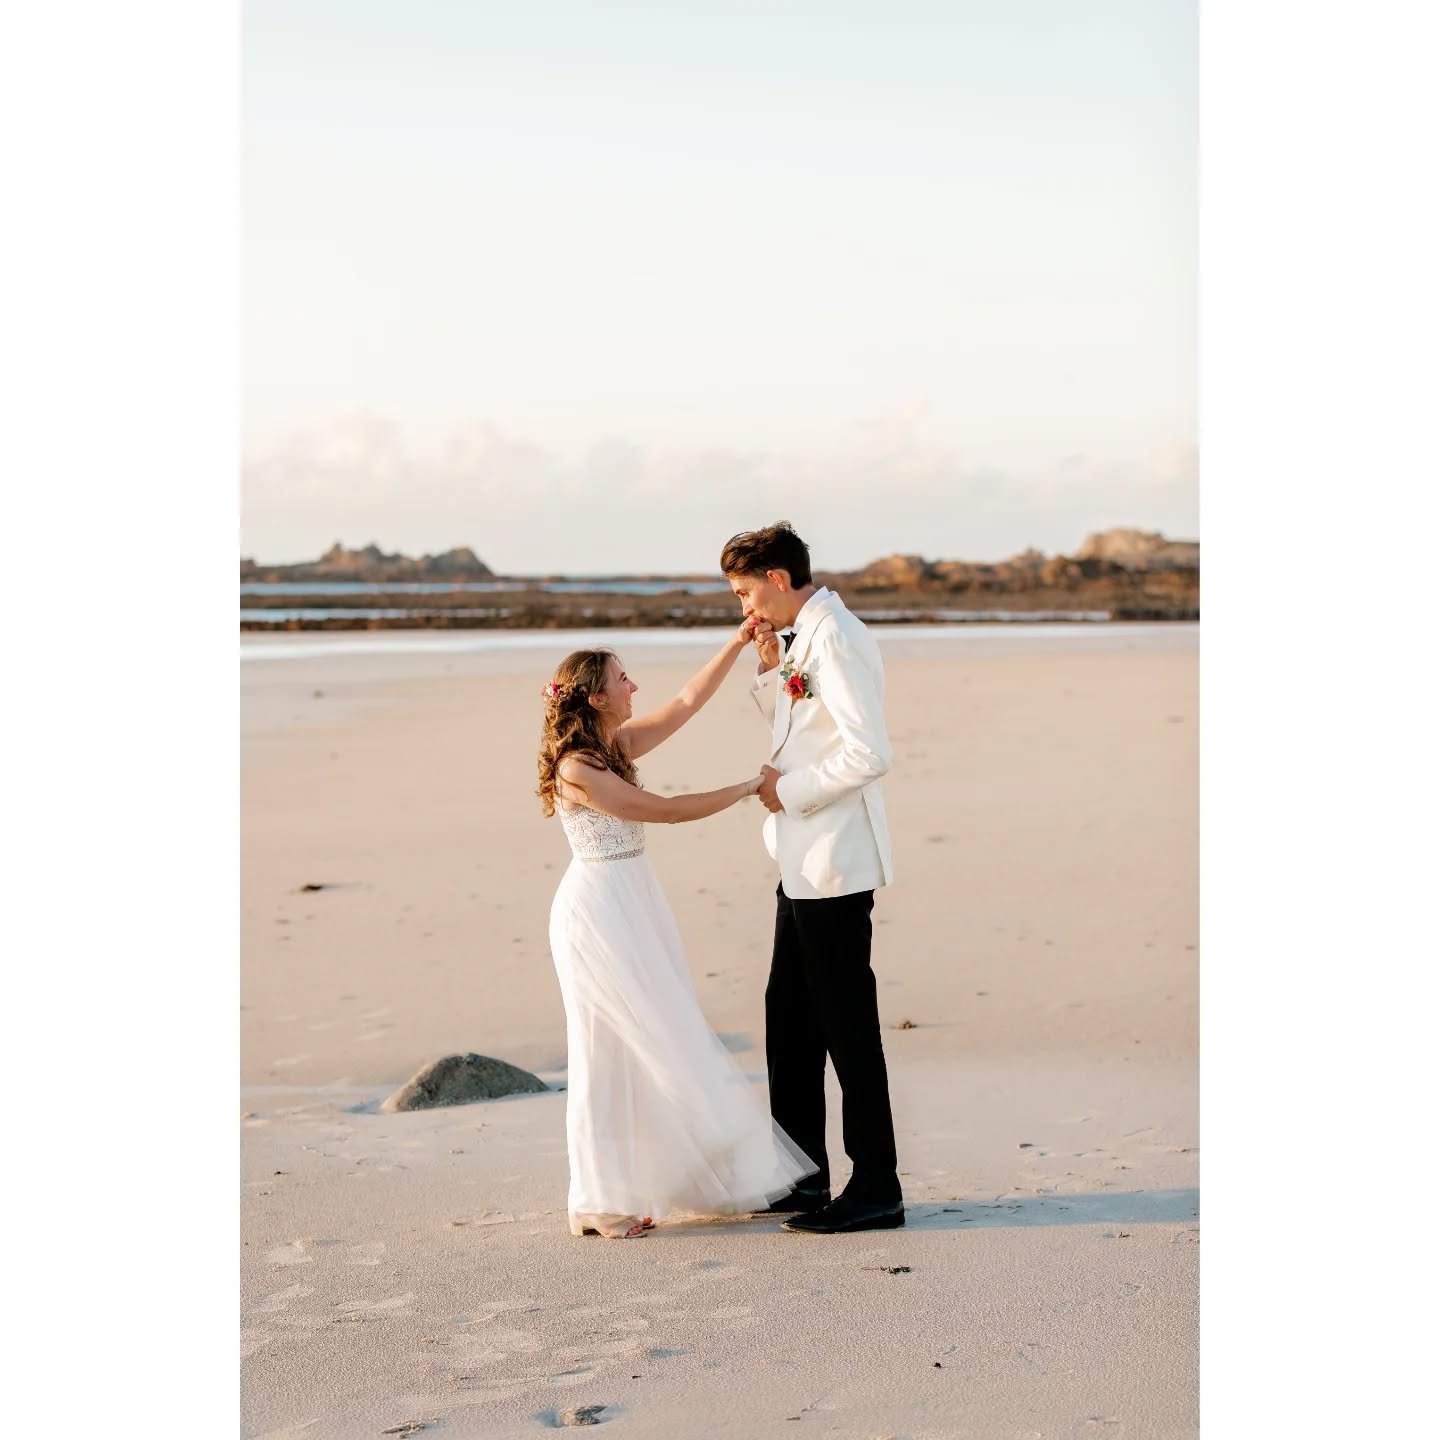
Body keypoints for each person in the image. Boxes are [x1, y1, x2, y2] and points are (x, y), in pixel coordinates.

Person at [538, 632, 813, 1239]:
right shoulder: (578, 767)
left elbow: (688, 701)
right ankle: (596, 1201)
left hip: (634, 902)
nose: (633, 686)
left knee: (652, 1039)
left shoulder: (614, 745)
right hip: (599, 911)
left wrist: (739, 644)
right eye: (621, 679)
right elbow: (659, 810)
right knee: (607, 1051)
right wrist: (747, 788)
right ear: (597, 698)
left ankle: (634, 1188)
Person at [721, 521, 905, 1234]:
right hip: (798, 857)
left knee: (846, 1029)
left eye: (745, 593)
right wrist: (772, 668)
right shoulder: (802, 636)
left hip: (833, 857)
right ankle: (801, 1176)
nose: (745, 609)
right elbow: (802, 731)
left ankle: (877, 1186)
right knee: (788, 1022)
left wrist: (787, 793)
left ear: (776, 577)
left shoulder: (839, 636)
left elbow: (868, 753)